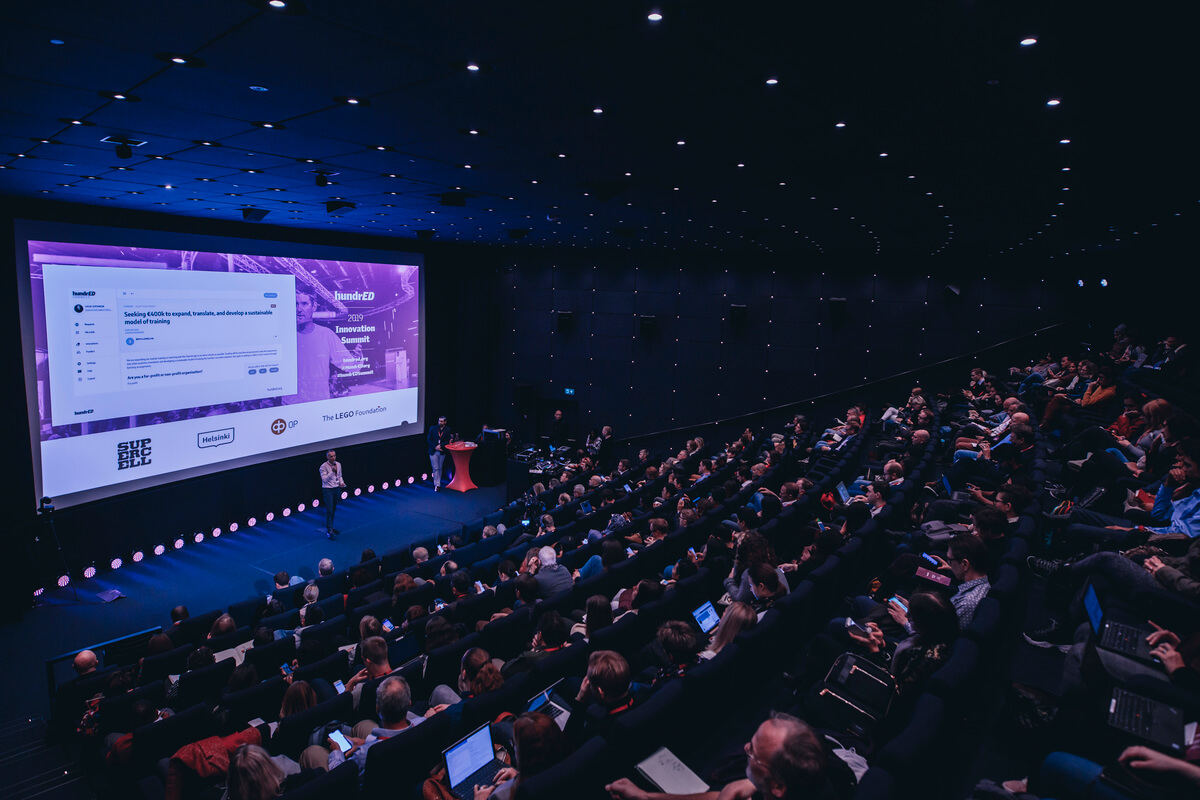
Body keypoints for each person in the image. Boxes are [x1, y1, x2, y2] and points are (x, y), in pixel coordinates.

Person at [605, 711, 830, 800]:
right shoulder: (784, 785)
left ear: (778, 787)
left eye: (753, 752)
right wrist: (645, 796)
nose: (745, 748)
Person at [283, 287, 360, 405]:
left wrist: (358, 357)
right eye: (295, 304)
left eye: (304, 304)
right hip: (290, 406)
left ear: (314, 307)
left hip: (319, 405)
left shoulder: (326, 335)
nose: (298, 309)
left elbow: (350, 365)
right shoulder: (283, 335)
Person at [319, 450, 345, 538]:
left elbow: (340, 476)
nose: (333, 458)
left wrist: (341, 482)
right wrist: (332, 472)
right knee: (329, 509)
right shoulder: (323, 467)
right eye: (331, 456)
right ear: (327, 457)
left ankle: (331, 526)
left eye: (334, 456)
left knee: (333, 509)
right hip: (328, 489)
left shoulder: (338, 464)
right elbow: (324, 479)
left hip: (336, 488)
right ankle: (329, 528)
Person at [428, 415, 452, 491]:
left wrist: (440, 445)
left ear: (445, 422)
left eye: (441, 421)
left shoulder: (448, 429)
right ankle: (437, 484)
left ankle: (438, 482)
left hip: (442, 451)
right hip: (433, 450)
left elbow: (448, 441)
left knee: (440, 468)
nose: (440, 422)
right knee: (435, 468)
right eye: (439, 421)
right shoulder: (433, 428)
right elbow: (429, 439)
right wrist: (435, 446)